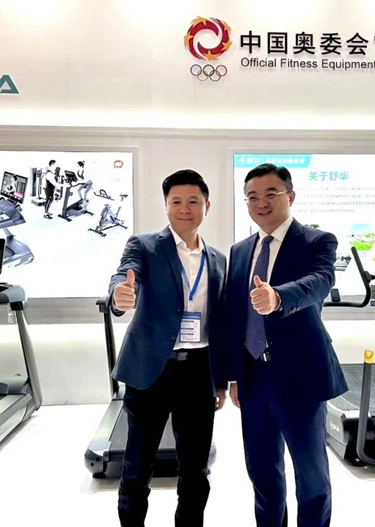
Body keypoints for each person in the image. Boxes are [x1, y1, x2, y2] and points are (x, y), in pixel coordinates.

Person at [224, 162, 348, 527]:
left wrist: (279, 297)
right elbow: (234, 313)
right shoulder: (240, 250)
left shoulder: (316, 241)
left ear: (290, 196)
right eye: (252, 197)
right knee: (263, 474)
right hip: (253, 378)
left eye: (270, 194)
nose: (261, 203)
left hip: (300, 378)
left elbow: (320, 281)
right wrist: (233, 375)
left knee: (311, 478)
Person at [109, 169, 228, 527]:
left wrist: (220, 380)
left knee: (195, 469)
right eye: (176, 201)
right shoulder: (144, 246)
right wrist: (119, 293)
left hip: (199, 370)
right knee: (137, 467)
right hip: (151, 369)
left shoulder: (218, 259)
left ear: (207, 206)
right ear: (166, 206)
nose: (185, 209)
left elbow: (220, 323)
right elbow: (124, 274)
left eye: (193, 201)